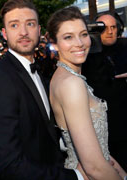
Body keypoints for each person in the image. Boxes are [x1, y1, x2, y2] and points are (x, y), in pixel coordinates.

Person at [0, 0, 84, 179]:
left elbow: (42, 132)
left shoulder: (42, 76)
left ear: (38, 29)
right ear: (4, 34)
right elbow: (9, 165)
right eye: (14, 25)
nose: (23, 32)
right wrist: (76, 176)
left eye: (30, 23)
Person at [47, 6, 127, 180]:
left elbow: (95, 148)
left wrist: (118, 169)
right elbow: (93, 168)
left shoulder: (63, 76)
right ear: (54, 43)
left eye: (83, 34)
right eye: (68, 37)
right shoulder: (72, 84)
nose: (80, 43)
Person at [82, 12, 127, 170]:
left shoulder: (125, 47)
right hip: (103, 133)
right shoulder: (85, 56)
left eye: (113, 27)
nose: (110, 31)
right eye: (103, 28)